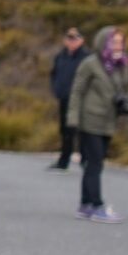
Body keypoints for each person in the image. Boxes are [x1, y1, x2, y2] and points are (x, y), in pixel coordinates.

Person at [68, 26, 128, 222]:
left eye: (121, 42)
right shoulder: (90, 64)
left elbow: (122, 89)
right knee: (95, 163)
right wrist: (73, 119)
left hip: (108, 120)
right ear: (103, 42)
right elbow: (77, 91)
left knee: (94, 164)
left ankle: (85, 204)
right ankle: (97, 205)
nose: (118, 46)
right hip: (91, 119)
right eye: (114, 42)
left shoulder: (122, 63)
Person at [47, 26, 86, 169]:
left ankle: (85, 159)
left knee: (81, 129)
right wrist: (56, 89)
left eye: (75, 38)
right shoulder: (60, 56)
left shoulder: (86, 58)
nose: (72, 41)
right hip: (64, 98)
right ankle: (64, 160)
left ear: (81, 40)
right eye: (69, 38)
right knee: (65, 130)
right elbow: (54, 74)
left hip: (81, 99)